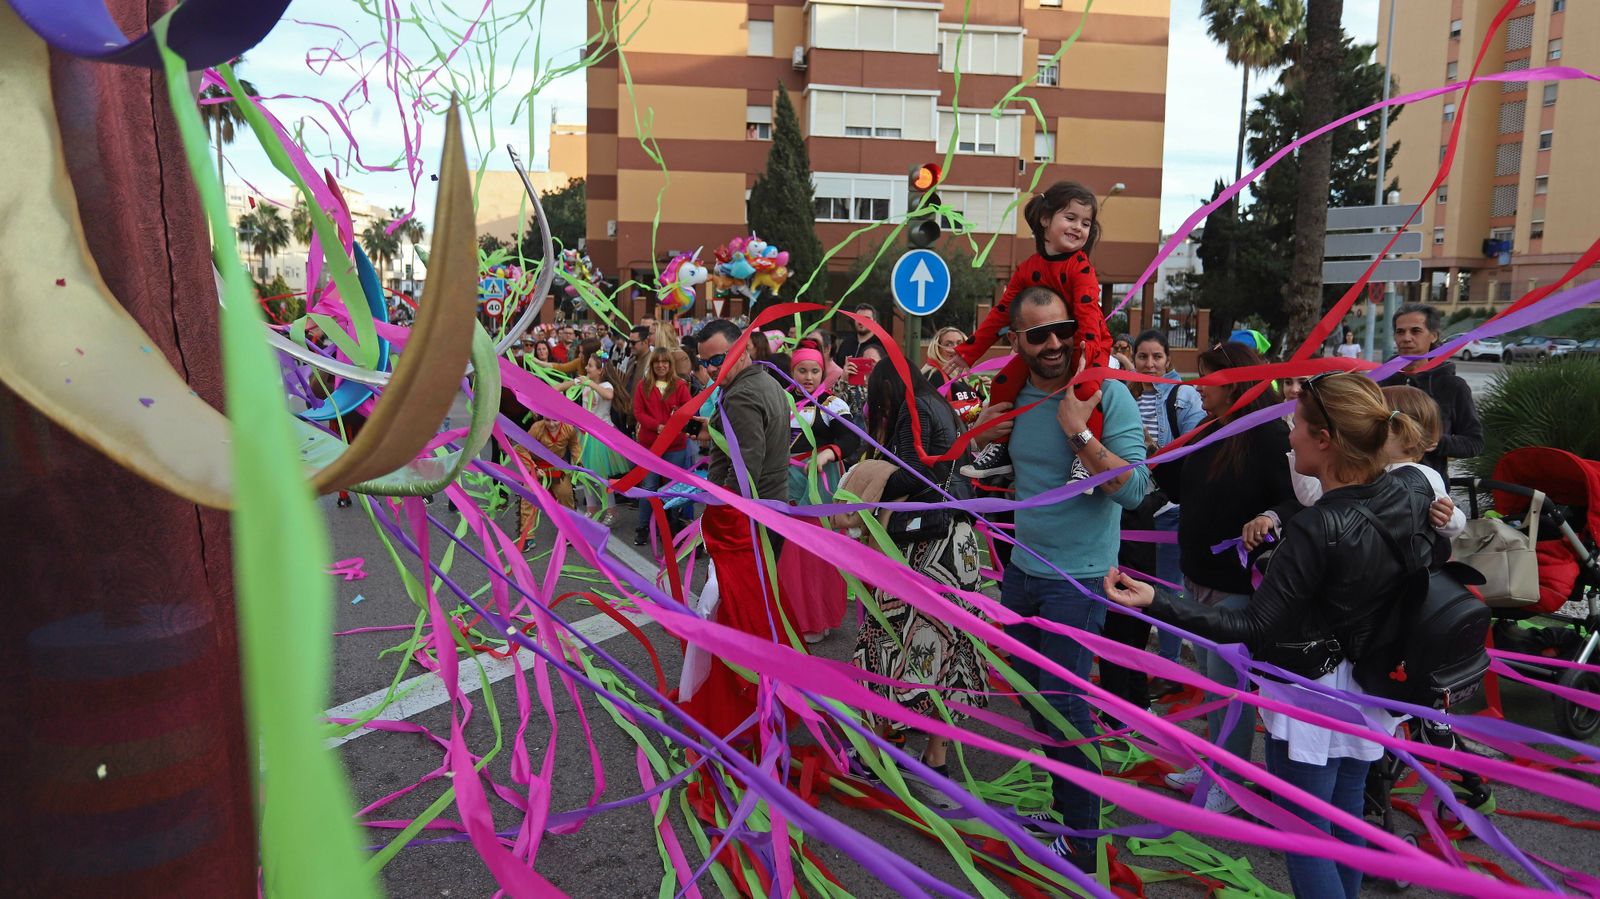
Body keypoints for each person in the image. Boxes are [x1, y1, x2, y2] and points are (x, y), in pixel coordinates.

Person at [1104, 371, 1438, 899]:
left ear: (1325, 441)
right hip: (1370, 688)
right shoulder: (1406, 493)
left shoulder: (1317, 528)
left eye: (1297, 424)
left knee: (1307, 837)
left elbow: (1254, 628)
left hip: (1312, 698)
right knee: (1347, 817)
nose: (1288, 434)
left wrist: (1158, 602)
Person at [975, 285, 1148, 869]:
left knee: (1065, 706)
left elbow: (1137, 492)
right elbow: (986, 472)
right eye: (1039, 334)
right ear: (1015, 341)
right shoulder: (1015, 396)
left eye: (1063, 329)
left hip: (1078, 584)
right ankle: (1064, 803)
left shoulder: (1104, 396)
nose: (1055, 343)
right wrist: (981, 431)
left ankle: (1081, 842)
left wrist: (1080, 430)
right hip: (1021, 575)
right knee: (1033, 696)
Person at [1152, 342, 1301, 815]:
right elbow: (1181, 488)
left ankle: (1230, 780)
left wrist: (1271, 516)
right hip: (1196, 575)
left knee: (1227, 686)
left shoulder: (1270, 435)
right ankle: (1215, 763)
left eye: (1208, 378)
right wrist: (1161, 458)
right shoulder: (1210, 428)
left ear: (1235, 381)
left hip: (1237, 584)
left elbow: (1298, 500)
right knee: (1210, 680)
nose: (1199, 386)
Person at [851, 352, 988, 785]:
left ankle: (881, 747)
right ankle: (936, 756)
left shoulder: (915, 411)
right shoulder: (943, 406)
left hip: (924, 544)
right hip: (960, 543)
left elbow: (913, 475)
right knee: (948, 646)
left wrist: (861, 482)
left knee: (896, 641)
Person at [951, 182, 1112, 482]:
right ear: (1045, 219)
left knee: (1087, 391)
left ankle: (1085, 459)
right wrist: (968, 352)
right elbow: (1002, 312)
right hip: (1045, 345)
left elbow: (1089, 314)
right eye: (1071, 217)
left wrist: (1086, 359)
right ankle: (1000, 450)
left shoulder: (1082, 268)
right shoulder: (1028, 268)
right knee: (1002, 382)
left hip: (1086, 345)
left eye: (1086, 223)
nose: (1078, 227)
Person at [680, 318, 792, 740]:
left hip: (748, 520)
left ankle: (743, 704)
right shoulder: (763, 384)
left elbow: (744, 470)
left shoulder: (743, 395)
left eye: (720, 357)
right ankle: (757, 697)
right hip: (768, 512)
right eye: (707, 361)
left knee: (737, 612)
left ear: (743, 349)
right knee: (753, 608)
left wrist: (717, 508)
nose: (713, 367)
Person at [1112, 330, 1206, 684]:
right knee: (1130, 584)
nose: (1149, 364)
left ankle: (1168, 668)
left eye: (1156, 357)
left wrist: (1153, 449)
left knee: (1166, 589)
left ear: (1168, 360)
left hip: (1168, 509)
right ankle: (1133, 663)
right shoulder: (1125, 395)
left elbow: (1198, 447)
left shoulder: (1183, 397)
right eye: (1142, 357)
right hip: (1131, 508)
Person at [776, 341, 859, 643]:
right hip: (784, 483)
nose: (808, 377)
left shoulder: (833, 403)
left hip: (819, 485)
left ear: (822, 372)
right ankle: (796, 616)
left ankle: (818, 617)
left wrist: (829, 453)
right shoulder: (780, 400)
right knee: (789, 554)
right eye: (802, 370)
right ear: (792, 371)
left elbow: (852, 438)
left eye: (814, 371)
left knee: (815, 554)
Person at [1380, 303, 1484, 482]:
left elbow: (1474, 443)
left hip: (1429, 493)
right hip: (1377, 487)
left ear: (1433, 336)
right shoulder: (1380, 380)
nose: (1406, 338)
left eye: (1415, 331)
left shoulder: (1453, 386)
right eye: (1400, 332)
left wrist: (1437, 442)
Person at [557, 353, 632, 524]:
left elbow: (608, 396)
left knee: (602, 477)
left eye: (590, 366)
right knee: (585, 475)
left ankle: (611, 510)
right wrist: (576, 382)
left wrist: (589, 383)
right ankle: (592, 508)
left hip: (601, 437)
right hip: (584, 436)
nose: (586, 368)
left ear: (600, 370)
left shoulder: (606, 385)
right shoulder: (584, 384)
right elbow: (558, 388)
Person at [631, 348, 695, 547]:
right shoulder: (643, 386)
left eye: (664, 362)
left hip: (675, 445)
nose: (661, 365)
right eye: (657, 362)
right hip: (650, 445)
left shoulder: (680, 386)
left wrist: (673, 424)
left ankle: (669, 528)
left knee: (671, 488)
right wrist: (656, 426)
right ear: (652, 365)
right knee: (649, 487)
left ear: (670, 364)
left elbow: (689, 410)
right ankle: (642, 527)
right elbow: (638, 412)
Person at [830, 303, 885, 368]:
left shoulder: (882, 345)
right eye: (858, 318)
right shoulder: (846, 343)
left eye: (866, 318)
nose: (861, 322)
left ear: (875, 322)